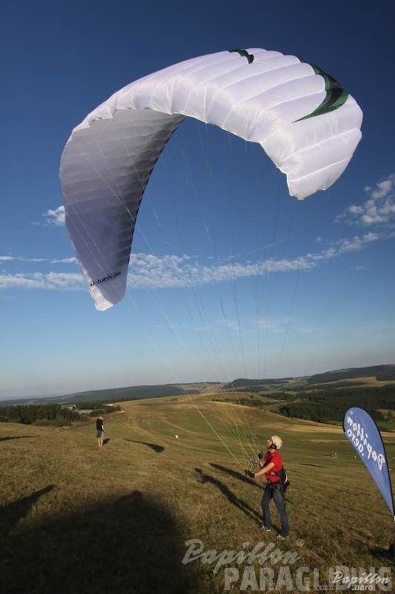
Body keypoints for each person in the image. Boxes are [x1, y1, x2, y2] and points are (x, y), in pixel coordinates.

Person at [247, 435, 289, 539]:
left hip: (277, 487)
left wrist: (254, 475)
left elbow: (266, 469)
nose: (267, 441)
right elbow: (263, 465)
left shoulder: (276, 458)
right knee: (264, 503)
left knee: (281, 510)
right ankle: (267, 525)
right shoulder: (268, 454)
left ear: (274, 445)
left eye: (270, 440)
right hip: (270, 484)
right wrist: (260, 459)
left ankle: (285, 533)